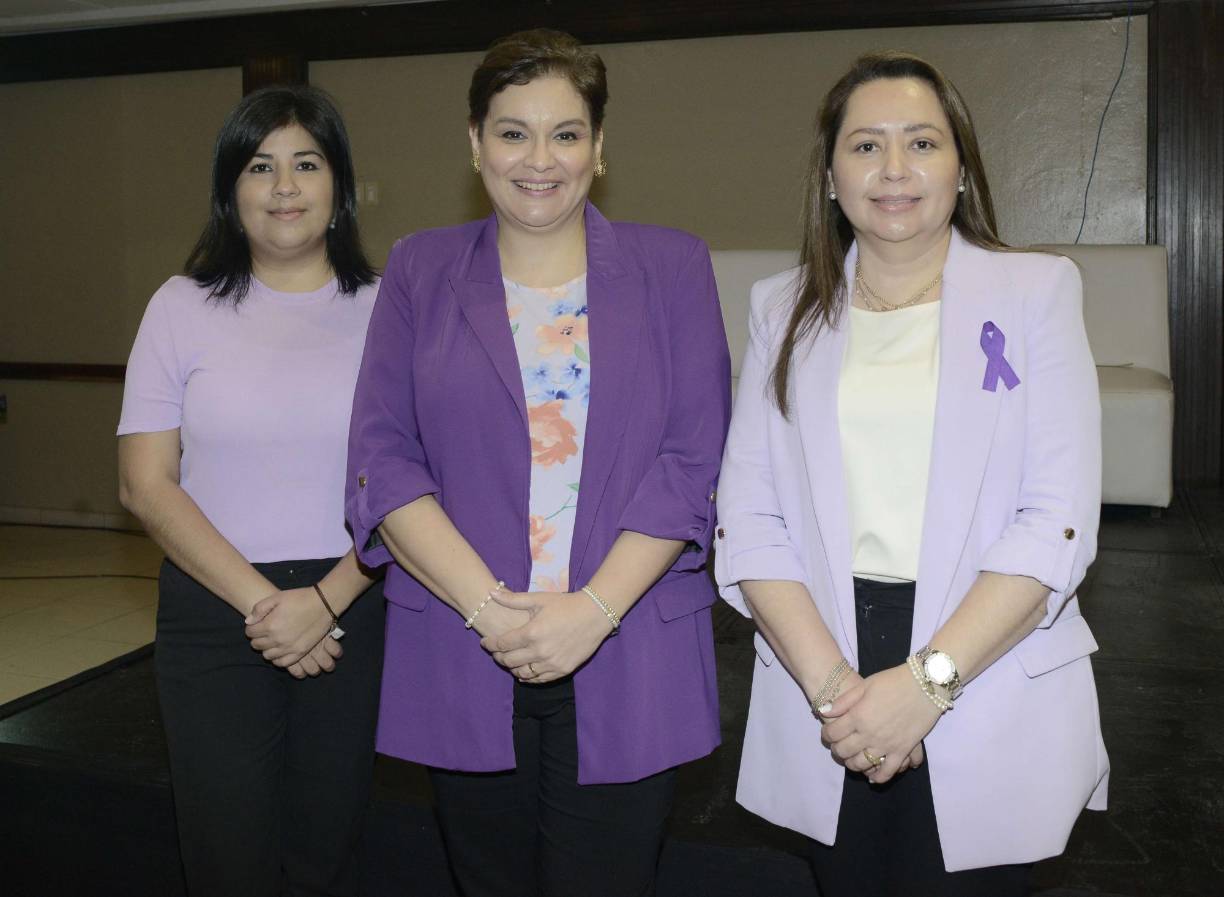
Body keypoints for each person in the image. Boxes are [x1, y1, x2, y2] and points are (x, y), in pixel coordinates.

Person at [346, 28, 731, 897]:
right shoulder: (418, 269)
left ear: (599, 149)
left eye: (566, 133)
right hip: (464, 641)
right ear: (474, 142)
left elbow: (692, 457)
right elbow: (383, 455)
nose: (539, 159)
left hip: (627, 647)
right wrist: (491, 611)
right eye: (512, 131)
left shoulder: (672, 266)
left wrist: (591, 611)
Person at [714, 51, 1109, 896]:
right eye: (865, 147)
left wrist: (928, 685)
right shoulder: (779, 309)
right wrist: (838, 695)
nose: (894, 170)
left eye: (922, 143)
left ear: (961, 167)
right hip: (828, 662)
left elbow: (1057, 518)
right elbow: (748, 519)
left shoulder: (1037, 293)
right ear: (829, 175)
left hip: (984, 656)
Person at [117, 85, 384, 896]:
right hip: (214, 610)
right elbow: (144, 483)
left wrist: (328, 600)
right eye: (260, 166)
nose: (285, 186)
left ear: (338, 184)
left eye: (306, 163)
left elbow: (416, 484)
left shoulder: (389, 310)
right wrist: (269, 606)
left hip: (356, 601)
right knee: (225, 854)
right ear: (230, 190)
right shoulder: (178, 306)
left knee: (326, 851)